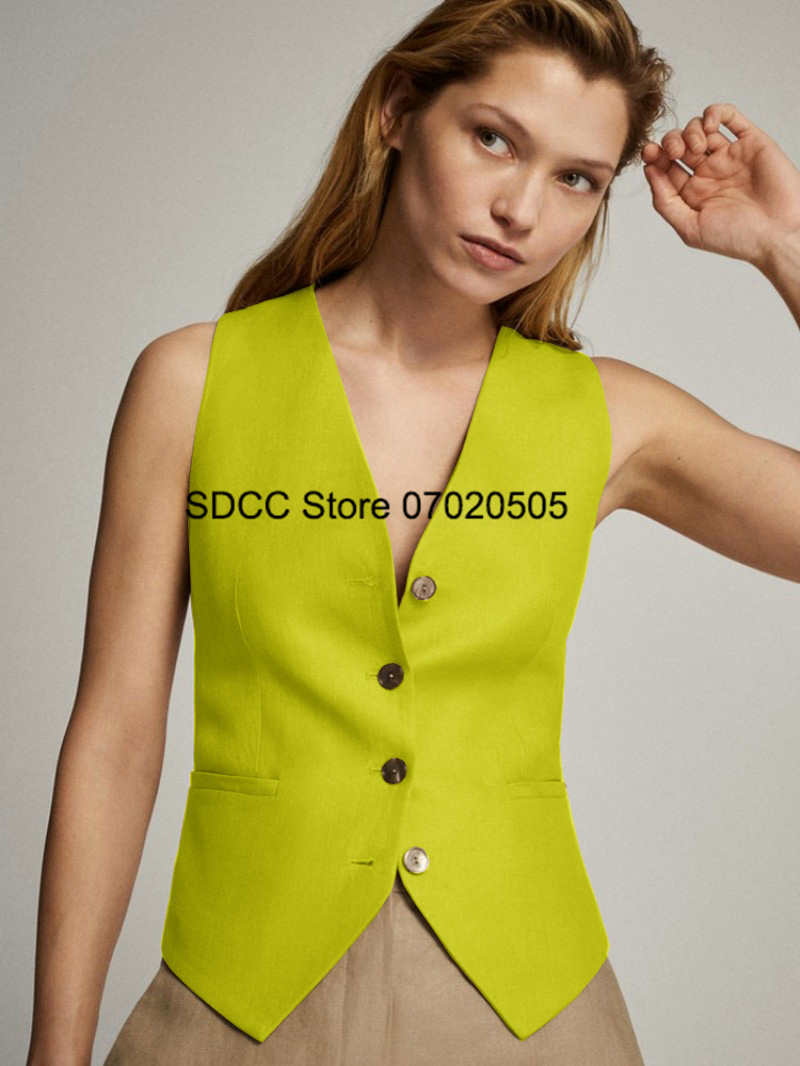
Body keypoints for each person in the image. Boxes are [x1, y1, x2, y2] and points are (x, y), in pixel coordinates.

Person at [26, 1, 800, 1064]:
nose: (520, 209)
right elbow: (115, 738)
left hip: (533, 1016)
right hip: (233, 1005)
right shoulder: (193, 383)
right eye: (493, 138)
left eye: (577, 179)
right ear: (397, 111)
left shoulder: (609, 416)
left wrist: (783, 247)